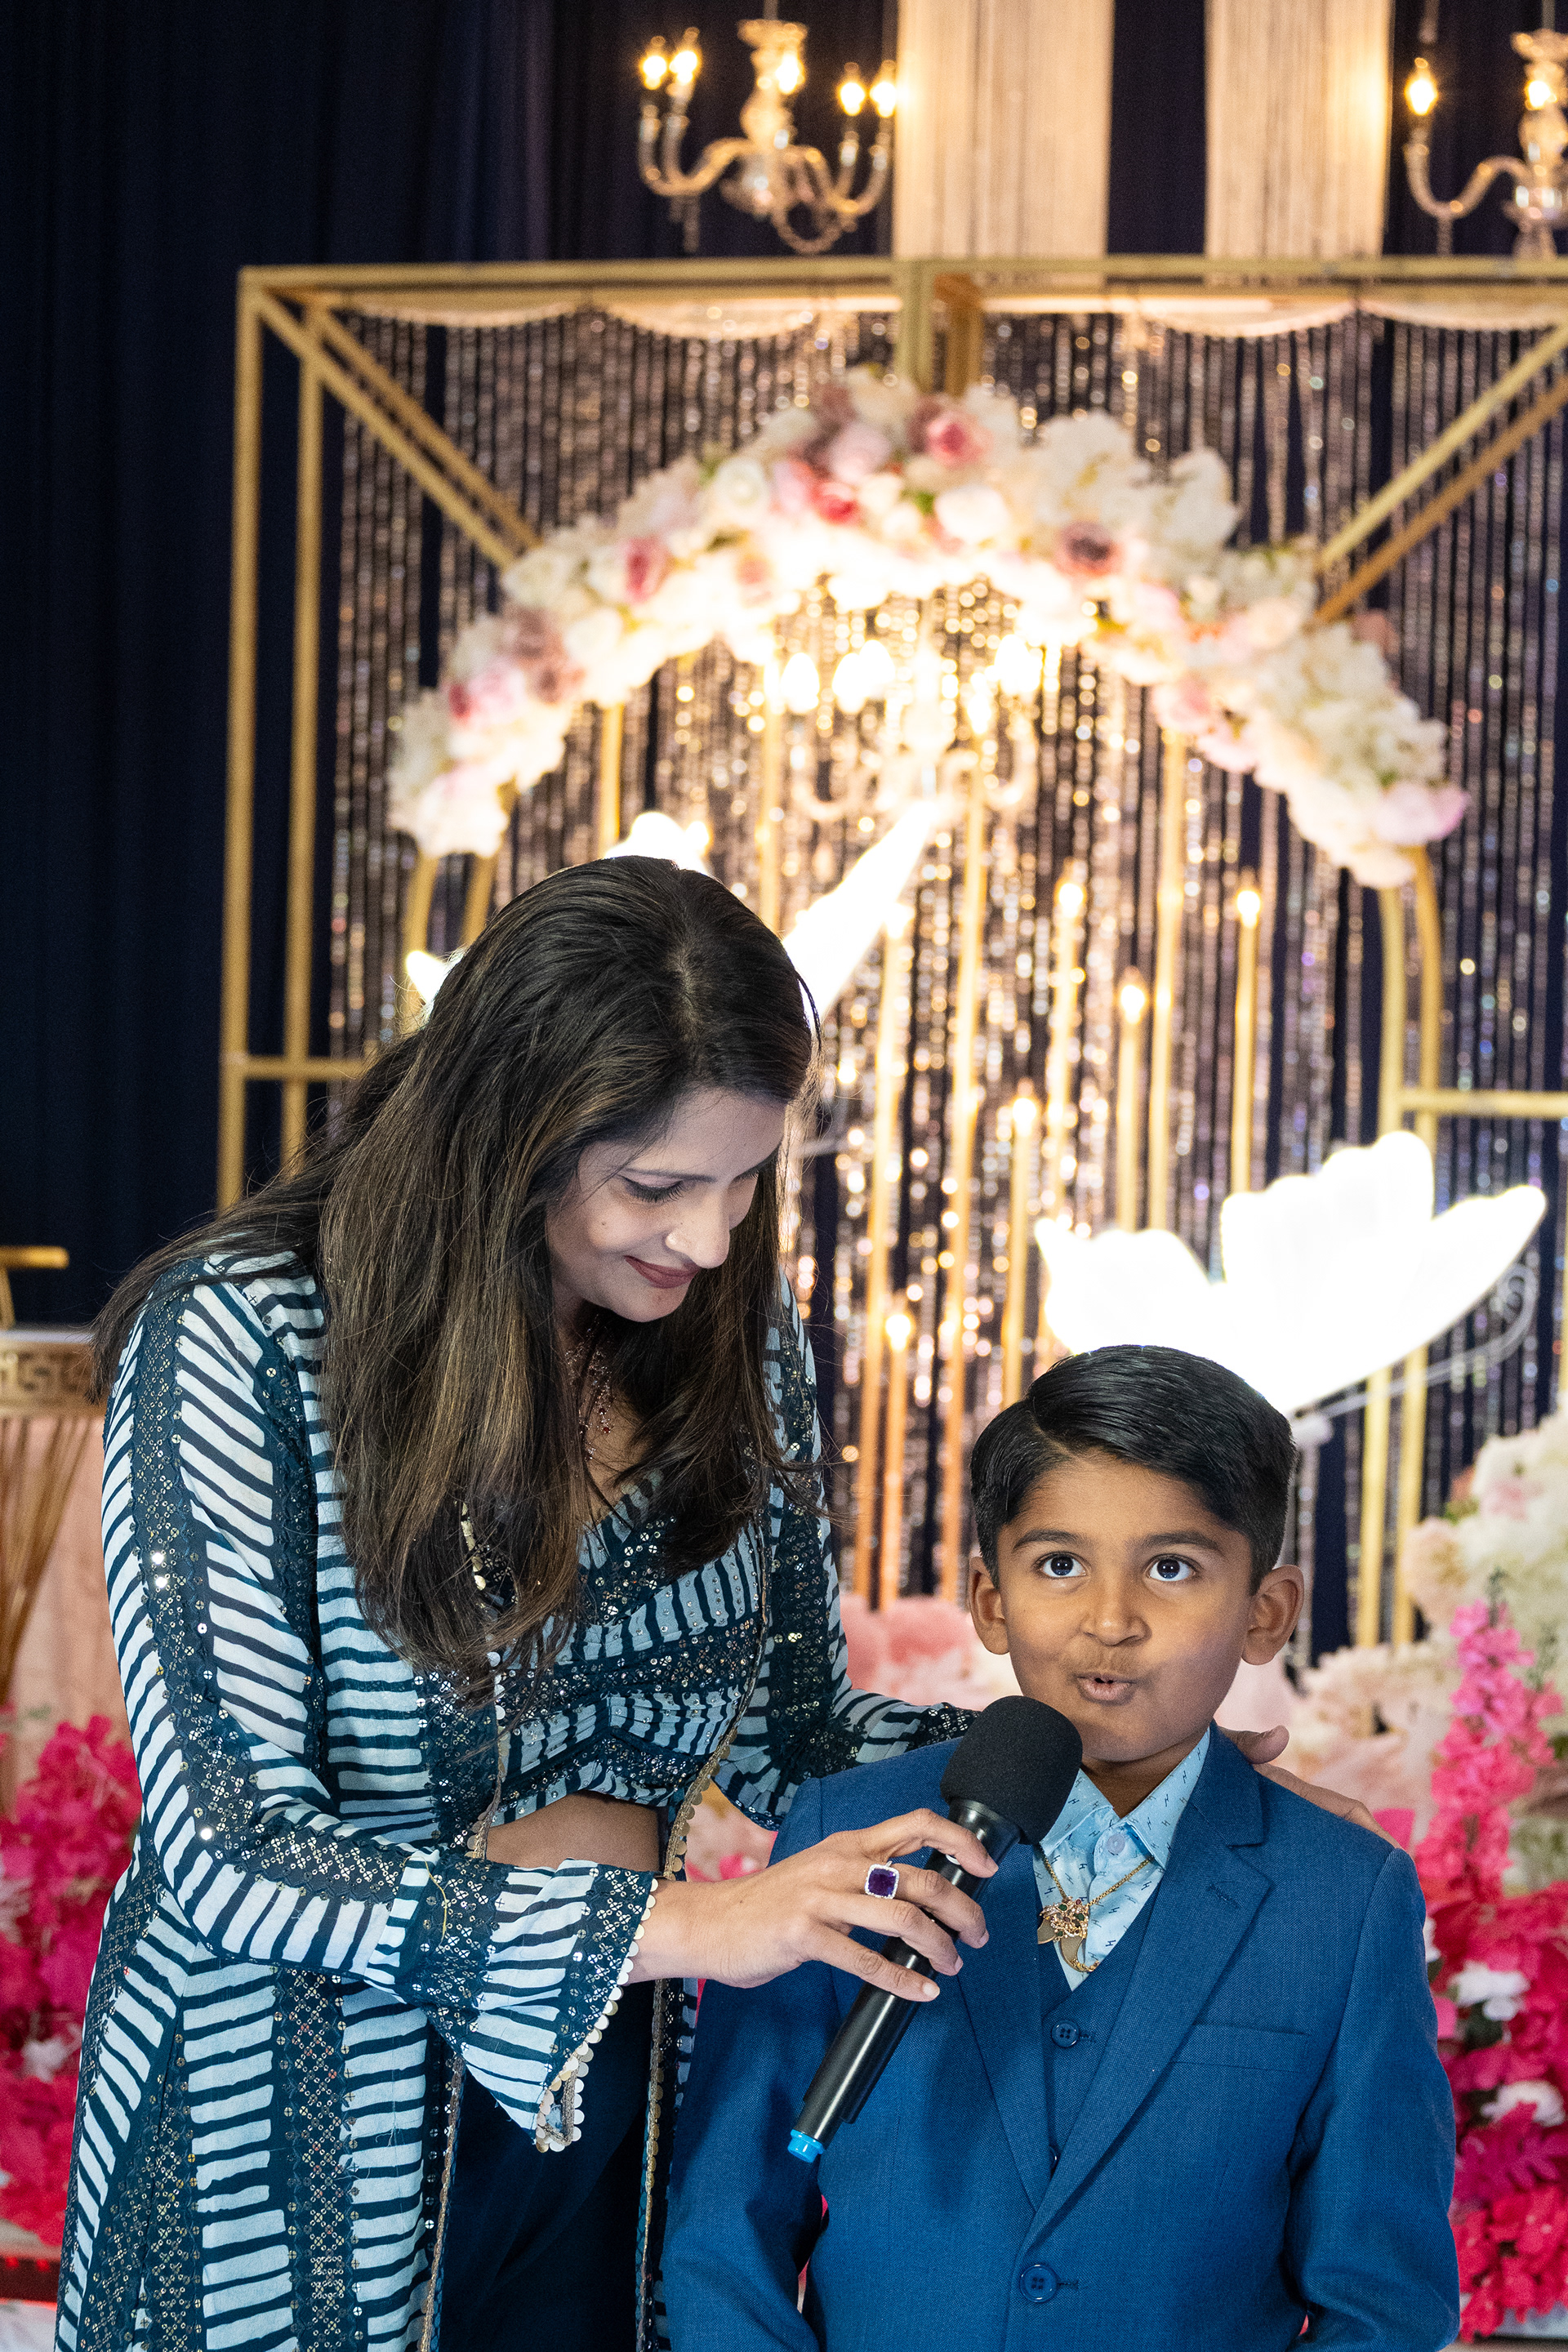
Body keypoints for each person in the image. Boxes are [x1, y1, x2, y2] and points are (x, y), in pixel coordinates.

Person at [66, 860, 1374, 2352]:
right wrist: (698, 1921)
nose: (704, 1237)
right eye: (655, 1187)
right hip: (286, 2123)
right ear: (504, 1132)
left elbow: (796, 1735)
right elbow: (231, 1850)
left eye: (744, 1180)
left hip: (609, 2100)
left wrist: (1115, 1762)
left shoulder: (732, 1344)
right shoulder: (243, 1334)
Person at [662, 1345, 1461, 2352]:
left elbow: (1385, 2307)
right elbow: (723, 2230)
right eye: (1059, 1566)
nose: (1110, 1622)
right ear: (991, 1601)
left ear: (1266, 1614)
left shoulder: (1343, 1895)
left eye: (1171, 1568)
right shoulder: (844, 1832)